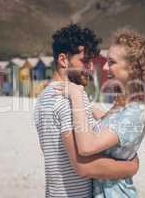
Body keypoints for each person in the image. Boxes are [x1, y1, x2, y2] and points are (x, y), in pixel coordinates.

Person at [55, 29, 145, 197]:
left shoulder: (136, 112)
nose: (104, 66)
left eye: (111, 62)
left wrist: (77, 97)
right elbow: (111, 126)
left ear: (133, 69)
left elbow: (87, 147)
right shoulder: (124, 104)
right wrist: (87, 105)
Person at [34, 24, 139, 198]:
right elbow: (82, 166)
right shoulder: (72, 97)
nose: (91, 68)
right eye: (85, 61)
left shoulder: (44, 98)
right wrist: (131, 167)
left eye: (92, 61)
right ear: (63, 60)